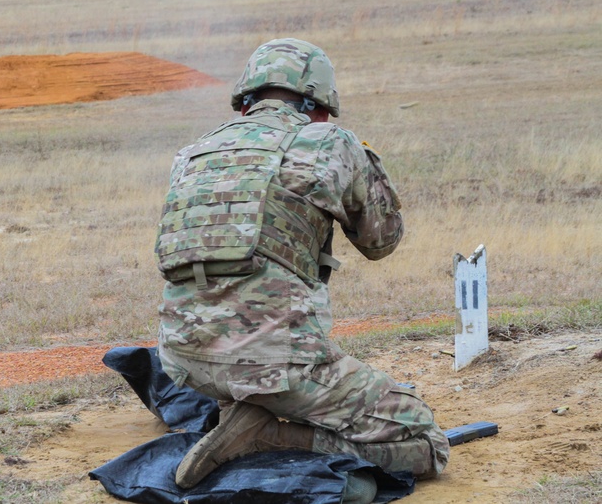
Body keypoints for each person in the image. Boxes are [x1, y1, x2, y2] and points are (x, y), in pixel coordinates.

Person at [154, 38, 449, 499]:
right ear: (320, 104)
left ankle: (244, 413)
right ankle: (270, 437)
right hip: (276, 365)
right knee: (425, 444)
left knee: (264, 371)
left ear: (246, 99)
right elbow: (381, 241)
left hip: (182, 360)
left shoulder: (194, 152)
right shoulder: (329, 141)